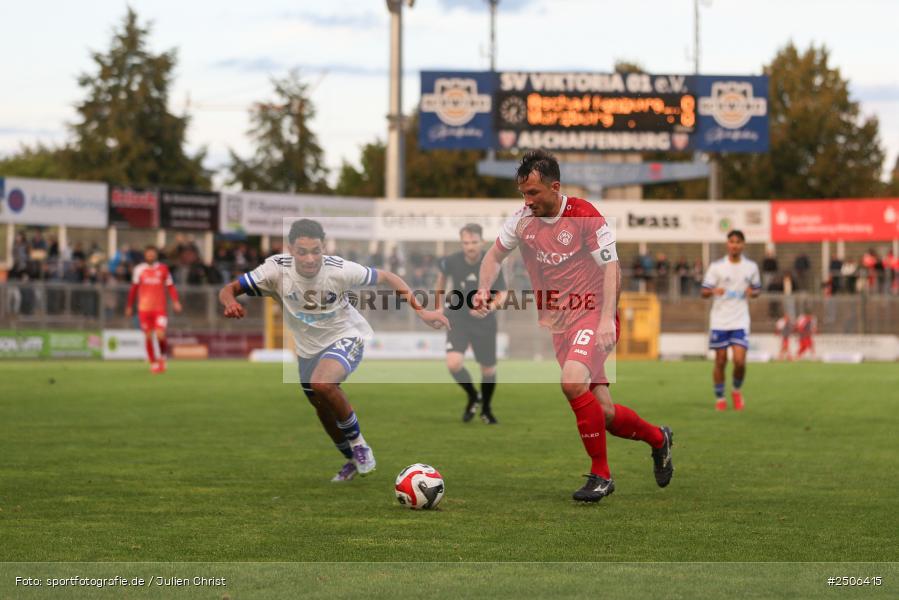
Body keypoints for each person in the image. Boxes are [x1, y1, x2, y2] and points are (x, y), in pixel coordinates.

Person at [475, 150, 673, 503]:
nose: (527, 201)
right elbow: (493, 256)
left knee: (571, 382)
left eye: (533, 193)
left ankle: (601, 475)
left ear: (555, 187)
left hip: (593, 313)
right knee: (606, 414)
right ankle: (659, 439)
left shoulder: (585, 216)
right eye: (523, 193)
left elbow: (612, 267)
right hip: (561, 322)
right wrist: (484, 288)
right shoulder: (521, 220)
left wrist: (605, 320)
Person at [218, 219, 449, 482]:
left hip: (346, 336)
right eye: (302, 251)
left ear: (323, 248)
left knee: (323, 383)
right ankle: (350, 458)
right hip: (307, 350)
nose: (309, 258)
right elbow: (229, 289)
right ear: (290, 249)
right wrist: (229, 303)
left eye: (316, 251)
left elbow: (387, 277)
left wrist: (421, 311)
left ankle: (360, 444)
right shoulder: (274, 270)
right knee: (322, 408)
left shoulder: (339, 269)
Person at [434, 223, 508, 424]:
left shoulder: (492, 262)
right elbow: (441, 281)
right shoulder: (450, 261)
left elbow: (503, 293)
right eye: (466, 243)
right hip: (457, 317)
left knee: (488, 369)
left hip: (484, 321)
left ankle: (486, 409)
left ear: (482, 242)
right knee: (453, 363)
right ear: (461, 243)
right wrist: (438, 307)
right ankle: (473, 396)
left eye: (474, 242)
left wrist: (489, 308)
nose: (470, 247)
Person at [700, 230, 761, 411]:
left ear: (743, 245)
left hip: (740, 319)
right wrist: (712, 291)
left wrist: (753, 293)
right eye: (731, 242)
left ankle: (736, 389)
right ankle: (720, 397)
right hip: (720, 320)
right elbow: (703, 292)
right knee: (720, 360)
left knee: (740, 361)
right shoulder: (717, 267)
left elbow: (757, 290)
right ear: (728, 244)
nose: (734, 245)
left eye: (738, 242)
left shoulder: (751, 267)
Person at [125, 246, 182, 373]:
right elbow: (133, 289)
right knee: (148, 336)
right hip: (144, 309)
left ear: (155, 255)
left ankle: (162, 357)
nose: (150, 256)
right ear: (145, 256)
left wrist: (175, 301)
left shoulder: (163, 269)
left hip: (159, 308)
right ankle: (153, 363)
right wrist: (129, 306)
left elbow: (170, 286)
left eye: (152, 254)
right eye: (148, 254)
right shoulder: (139, 269)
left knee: (160, 334)